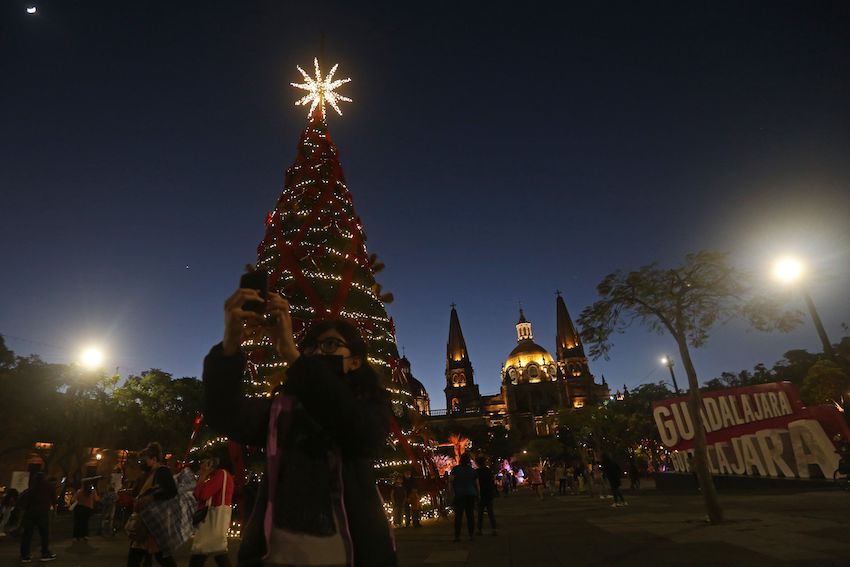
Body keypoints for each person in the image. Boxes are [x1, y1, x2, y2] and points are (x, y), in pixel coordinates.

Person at [203, 288, 397, 567]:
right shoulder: (282, 409)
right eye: (311, 347)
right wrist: (230, 344)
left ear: (355, 361)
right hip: (278, 554)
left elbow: (357, 430)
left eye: (331, 345)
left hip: (353, 553)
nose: (318, 352)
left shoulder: (370, 406)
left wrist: (294, 355)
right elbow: (225, 415)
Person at [127, 442, 179, 567]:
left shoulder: (162, 472)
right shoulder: (148, 474)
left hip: (153, 522)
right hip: (148, 521)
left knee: (153, 555)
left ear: (154, 459)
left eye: (145, 460)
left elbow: (171, 491)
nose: (142, 463)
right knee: (154, 555)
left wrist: (152, 497)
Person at [190, 454, 234, 567]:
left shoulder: (221, 474)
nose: (202, 464)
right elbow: (197, 495)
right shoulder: (216, 476)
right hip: (214, 524)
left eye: (206, 462)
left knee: (200, 554)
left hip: (213, 520)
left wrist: (203, 475)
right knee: (219, 553)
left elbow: (203, 495)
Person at [18, 472, 57, 562]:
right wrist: (54, 511)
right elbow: (54, 500)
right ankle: (44, 553)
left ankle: (25, 555)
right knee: (44, 534)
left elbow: (25, 500)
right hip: (42, 513)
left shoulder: (32, 487)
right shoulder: (49, 486)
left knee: (27, 535)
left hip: (29, 513)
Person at [450, 452, 477, 542]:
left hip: (459, 495)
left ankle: (457, 536)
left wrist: (451, 492)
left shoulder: (455, 469)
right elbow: (476, 483)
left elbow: (451, 481)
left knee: (458, 516)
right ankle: (471, 535)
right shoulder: (472, 470)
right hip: (470, 494)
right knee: (470, 516)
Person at [475, 456, 497, 536]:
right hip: (489, 492)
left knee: (480, 513)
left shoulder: (476, 472)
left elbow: (476, 483)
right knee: (490, 511)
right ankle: (494, 529)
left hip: (481, 493)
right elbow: (492, 481)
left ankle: (479, 529)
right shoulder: (488, 471)